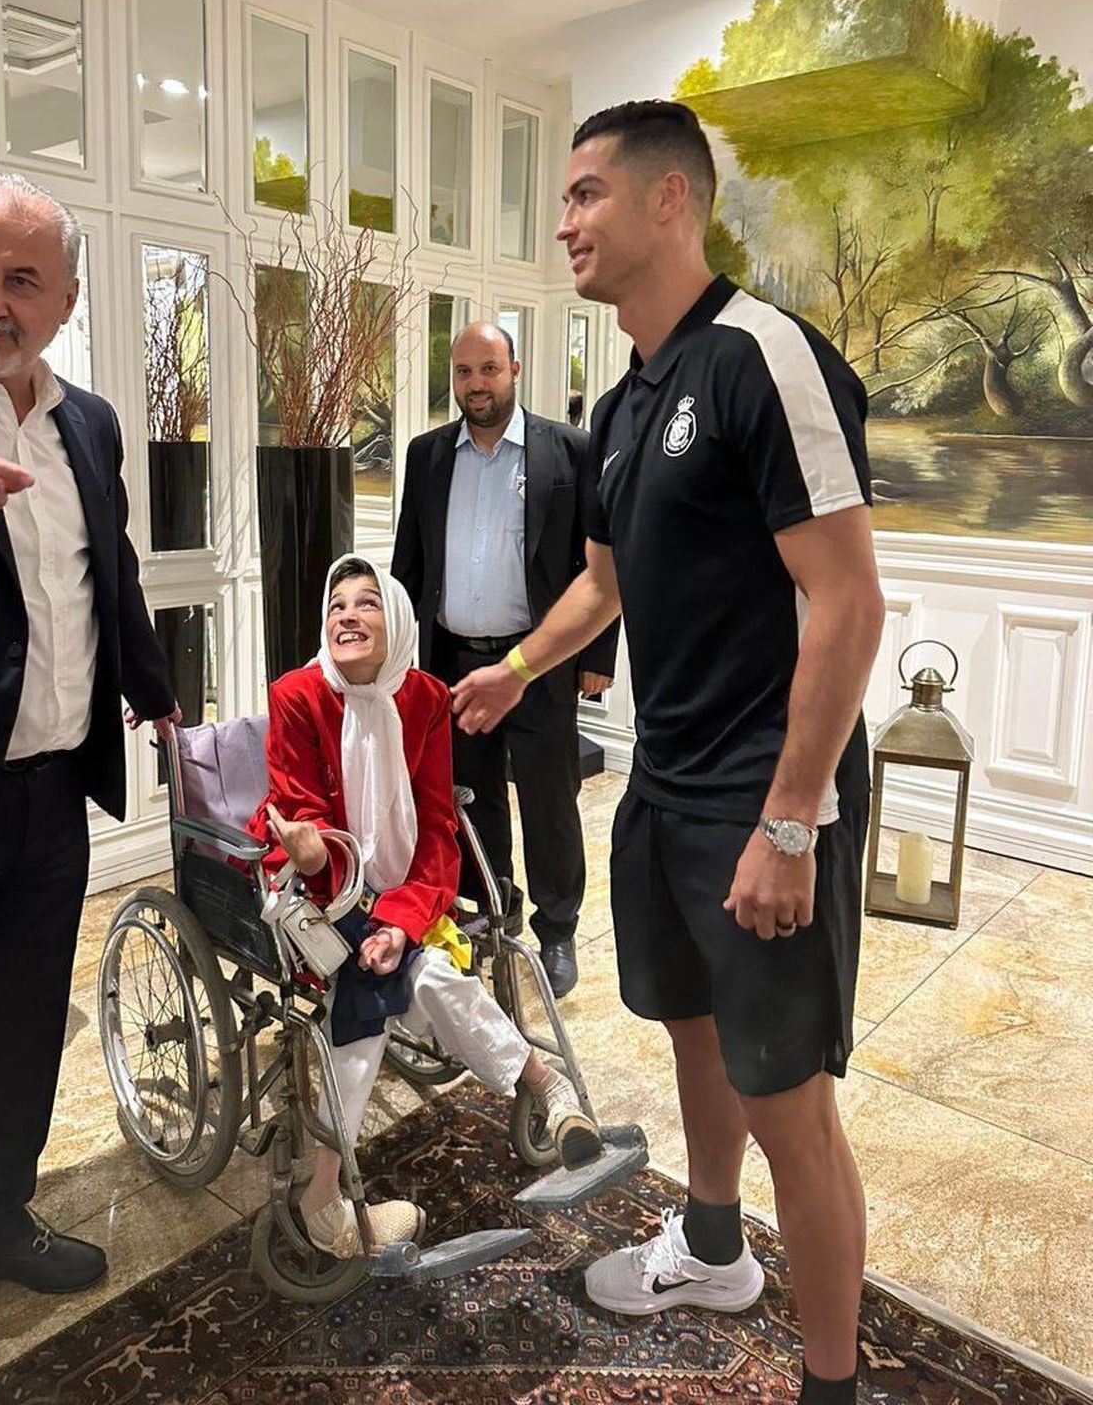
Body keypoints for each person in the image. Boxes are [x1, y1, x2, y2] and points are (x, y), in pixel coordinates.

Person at [452, 101, 885, 1405]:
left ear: (670, 200)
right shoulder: (622, 402)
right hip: (667, 779)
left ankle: (832, 1385)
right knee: (692, 1032)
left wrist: (790, 822)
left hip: (766, 791)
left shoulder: (763, 358)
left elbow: (848, 601)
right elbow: (605, 584)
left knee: (789, 1101)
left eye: (586, 193)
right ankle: (711, 1247)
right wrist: (519, 668)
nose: (565, 223)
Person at [0, 174, 179, 1405]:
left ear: (65, 299)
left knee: (16, 1031)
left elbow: (107, 564)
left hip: (53, 789)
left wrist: (155, 687)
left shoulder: (90, 424)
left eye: (21, 280)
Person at [246, 555, 601, 1260]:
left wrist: (400, 922)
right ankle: (543, 1083)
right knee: (383, 981)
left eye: (367, 602)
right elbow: (302, 818)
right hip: (311, 886)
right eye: (336, 604)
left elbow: (437, 828)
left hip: (393, 890)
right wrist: (322, 868)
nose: (347, 614)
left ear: (399, 621)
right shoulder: (297, 694)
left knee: (414, 974)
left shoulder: (425, 698)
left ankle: (324, 1197)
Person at [392, 322, 618, 999]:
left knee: (550, 799)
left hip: (538, 665)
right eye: (463, 372)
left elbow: (600, 564)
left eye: (488, 369)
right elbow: (409, 563)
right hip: (455, 664)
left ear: (514, 369)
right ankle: (495, 913)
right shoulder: (427, 455)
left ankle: (558, 929)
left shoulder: (569, 450)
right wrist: (398, 659)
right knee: (473, 798)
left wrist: (597, 653)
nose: (476, 384)